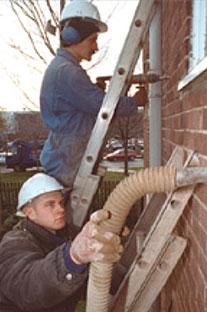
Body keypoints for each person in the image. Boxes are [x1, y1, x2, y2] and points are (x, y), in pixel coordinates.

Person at [40, 0, 147, 187]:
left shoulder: (64, 68)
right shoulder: (67, 71)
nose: (96, 47)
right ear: (73, 37)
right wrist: (134, 102)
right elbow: (101, 105)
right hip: (66, 161)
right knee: (63, 214)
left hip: (65, 156)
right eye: (92, 40)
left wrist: (94, 92)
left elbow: (82, 104)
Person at [0, 173, 123, 312]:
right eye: (50, 204)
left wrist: (109, 231)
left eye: (60, 202)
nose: (60, 209)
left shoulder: (67, 233)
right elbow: (28, 289)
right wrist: (71, 258)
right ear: (30, 212)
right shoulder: (14, 242)